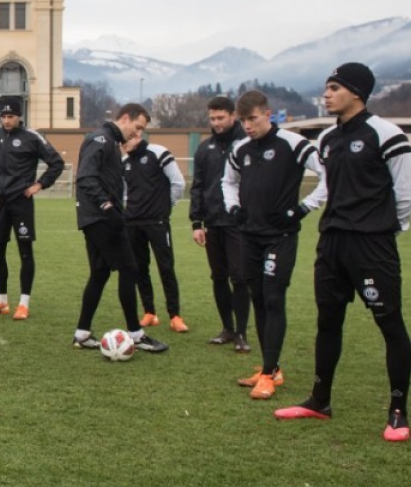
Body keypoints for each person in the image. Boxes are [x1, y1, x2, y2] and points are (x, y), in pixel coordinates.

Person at [276, 63, 411, 441]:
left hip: (372, 245)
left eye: (334, 88)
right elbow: (329, 185)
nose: (327, 94)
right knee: (328, 321)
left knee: (390, 324)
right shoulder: (326, 139)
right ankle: (319, 401)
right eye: (326, 87)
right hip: (332, 243)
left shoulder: (386, 134)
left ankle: (398, 412)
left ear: (357, 92)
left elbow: (407, 192)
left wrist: (385, 229)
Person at [222, 90, 326, 400]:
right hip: (249, 236)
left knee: (273, 298)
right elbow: (228, 182)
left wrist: (303, 208)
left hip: (280, 237)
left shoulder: (293, 144)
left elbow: (330, 174)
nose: (247, 126)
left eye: (252, 119)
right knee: (257, 298)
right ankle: (272, 368)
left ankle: (268, 375)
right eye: (243, 120)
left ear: (268, 114)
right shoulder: (240, 148)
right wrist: (233, 208)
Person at [72, 104, 168, 354]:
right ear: (125, 118)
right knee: (129, 268)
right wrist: (107, 206)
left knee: (100, 273)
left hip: (96, 217)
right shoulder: (101, 139)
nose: (138, 134)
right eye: (137, 127)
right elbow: (85, 177)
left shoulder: (111, 143)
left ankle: (82, 333)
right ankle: (136, 334)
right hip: (102, 218)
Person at [0, 96, 65, 320]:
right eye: (3, 117)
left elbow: (57, 163)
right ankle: (1, 301)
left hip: (21, 201)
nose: (6, 120)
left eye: (10, 116)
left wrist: (40, 184)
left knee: (25, 252)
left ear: (19, 116)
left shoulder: (32, 137)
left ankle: (23, 304)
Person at [190, 96, 252, 352]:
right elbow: (198, 186)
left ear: (233, 116)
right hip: (213, 221)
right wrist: (197, 222)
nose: (216, 123)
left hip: (239, 223)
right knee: (218, 276)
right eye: (212, 118)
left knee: (239, 277)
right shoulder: (205, 148)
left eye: (220, 118)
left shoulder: (248, 143)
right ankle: (227, 328)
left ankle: (241, 333)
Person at [122, 129, 188, 333]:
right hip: (132, 224)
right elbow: (124, 193)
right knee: (140, 268)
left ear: (137, 136)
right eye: (121, 142)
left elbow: (178, 183)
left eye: (126, 140)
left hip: (157, 222)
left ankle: (175, 315)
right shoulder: (124, 163)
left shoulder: (158, 152)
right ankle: (149, 312)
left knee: (166, 268)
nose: (123, 145)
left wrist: (165, 207)